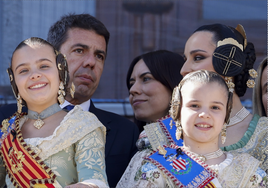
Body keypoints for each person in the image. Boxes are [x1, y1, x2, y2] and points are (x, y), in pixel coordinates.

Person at [0, 13, 139, 187]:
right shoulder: (5, 120)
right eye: (79, 51)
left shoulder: (126, 133)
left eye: (99, 56)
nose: (91, 62)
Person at [118, 70, 267, 187]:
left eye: (215, 107)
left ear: (225, 116)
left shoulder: (250, 172)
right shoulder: (155, 168)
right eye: (194, 106)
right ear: (177, 111)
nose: (204, 114)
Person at [0, 37, 108, 188]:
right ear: (14, 81)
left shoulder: (84, 124)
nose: (35, 75)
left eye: (44, 66)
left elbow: (95, 181)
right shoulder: (7, 131)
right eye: (23, 70)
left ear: (60, 71)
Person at [181, 23, 268, 171]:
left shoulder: (264, 135)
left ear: (230, 62)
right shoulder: (163, 133)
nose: (184, 70)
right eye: (185, 60)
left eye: (198, 57)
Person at [117, 50, 185, 187]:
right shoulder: (144, 144)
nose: (133, 90)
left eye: (146, 79)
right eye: (131, 83)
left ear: (174, 83)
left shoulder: (194, 144)